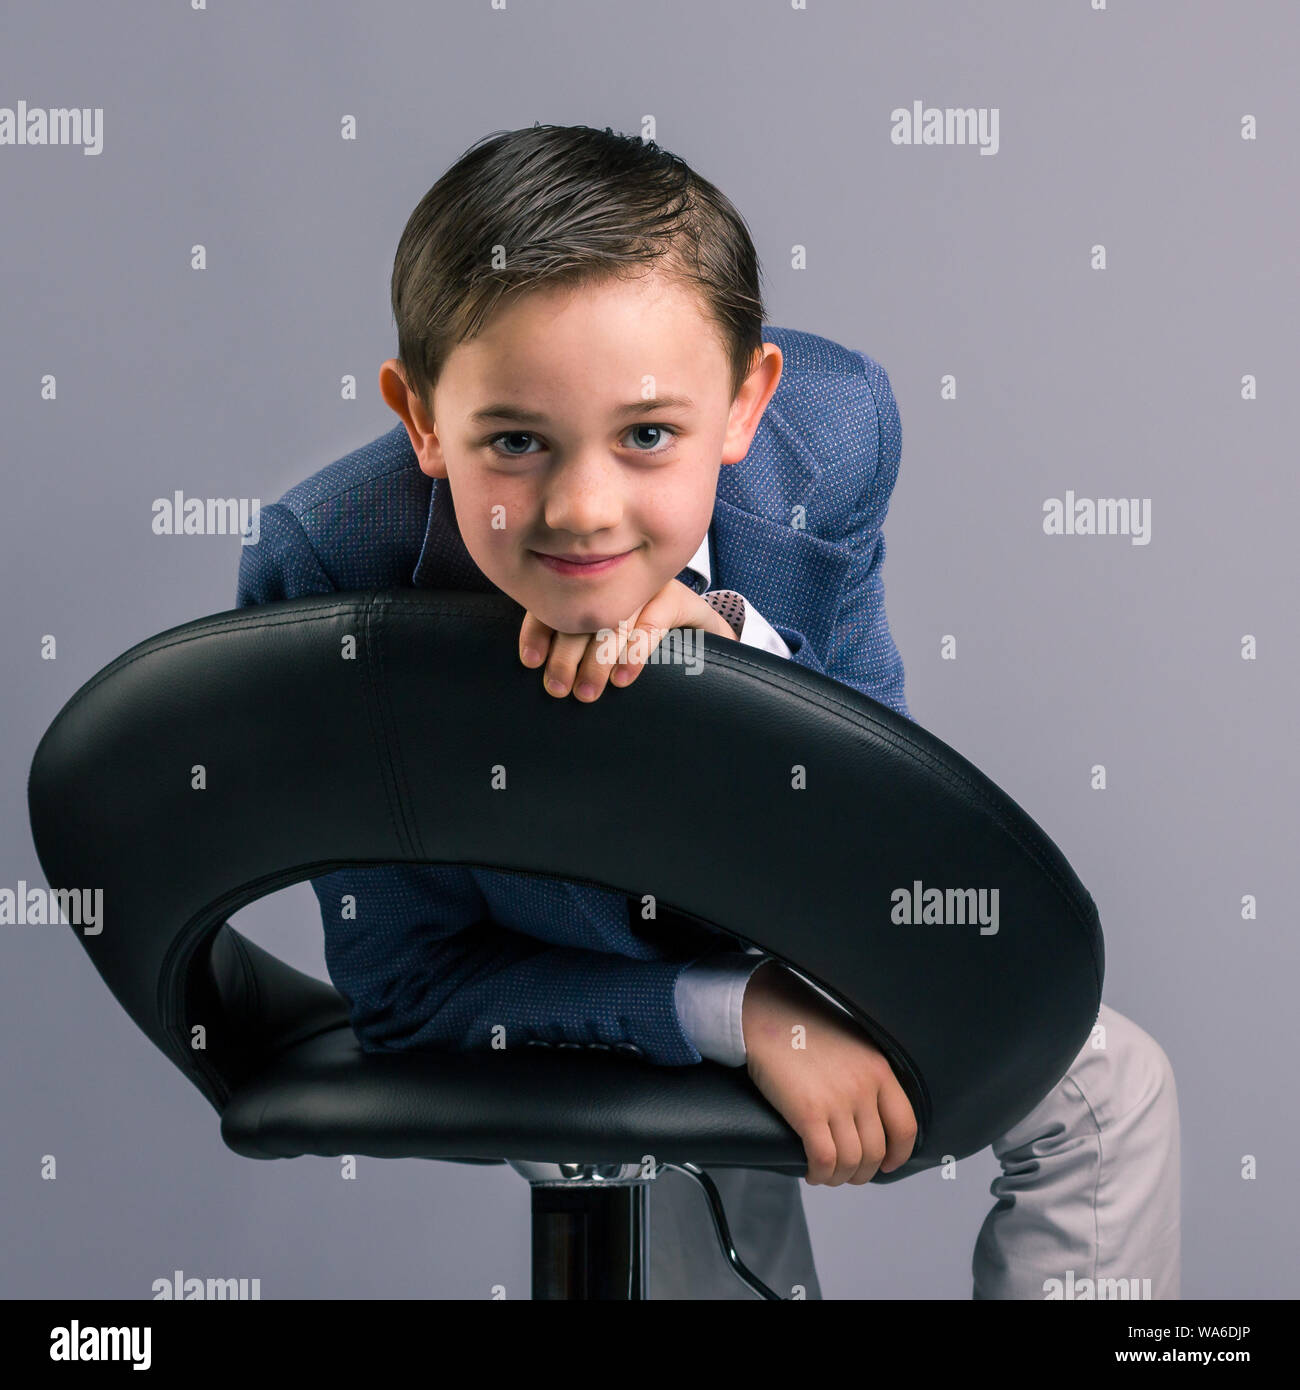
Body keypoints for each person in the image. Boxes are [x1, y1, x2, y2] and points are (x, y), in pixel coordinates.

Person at [236, 123, 1180, 1299]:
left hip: (794, 909)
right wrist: (741, 1013)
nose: (583, 509)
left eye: (647, 435)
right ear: (423, 419)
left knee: (1107, 1087)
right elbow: (413, 984)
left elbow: (885, 817)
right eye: (515, 441)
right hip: (557, 976)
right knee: (691, 1194)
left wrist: (739, 660)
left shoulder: (826, 441)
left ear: (742, 405)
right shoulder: (330, 563)